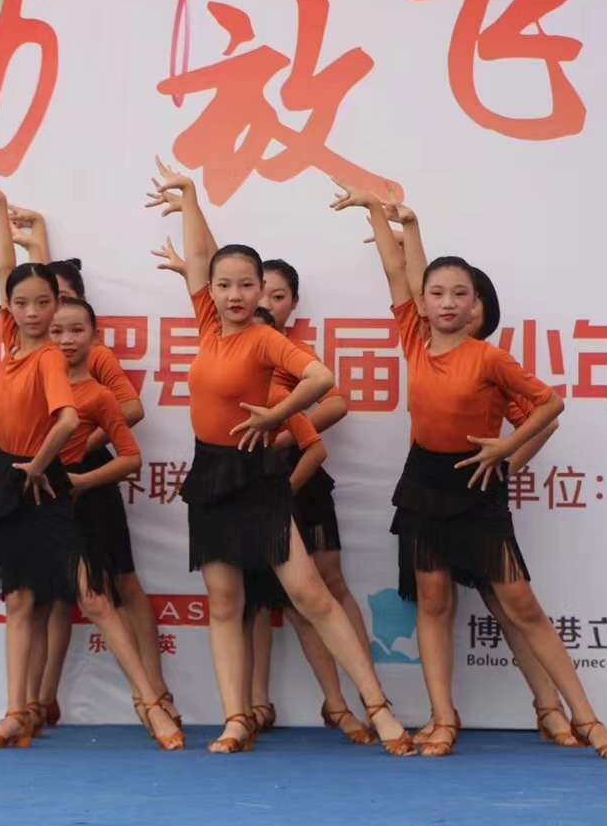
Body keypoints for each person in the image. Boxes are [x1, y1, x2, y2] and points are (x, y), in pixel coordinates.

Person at [333, 182, 607, 759]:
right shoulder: (414, 338)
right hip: (424, 483)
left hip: (477, 487)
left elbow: (549, 404)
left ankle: (588, 718)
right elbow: (401, 273)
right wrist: (386, 216)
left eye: (460, 295)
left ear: (475, 307)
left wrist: (505, 451)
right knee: (433, 601)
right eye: (437, 294)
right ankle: (443, 719)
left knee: (521, 604)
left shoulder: (490, 358)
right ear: (424, 304)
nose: (447, 302)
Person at [145, 158, 415, 755]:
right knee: (225, 602)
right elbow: (202, 256)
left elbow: (321, 379)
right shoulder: (209, 326)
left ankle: (378, 708)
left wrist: (275, 417)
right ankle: (236, 719)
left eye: (247, 285)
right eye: (224, 285)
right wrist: (191, 195)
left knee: (311, 595)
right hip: (210, 474)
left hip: (257, 477)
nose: (234, 294)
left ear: (259, 290)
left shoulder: (267, 338)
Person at [0, 165, 184, 750]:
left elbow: (68, 420)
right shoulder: (13, 341)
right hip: (10, 477)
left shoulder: (50, 360)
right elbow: (5, 269)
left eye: (45, 304)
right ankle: (16, 713)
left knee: (93, 596)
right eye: (23, 303)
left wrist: (45, 465)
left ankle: (153, 704)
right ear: (11, 307)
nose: (34, 313)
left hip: (46, 479)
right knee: (21, 599)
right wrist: (1, 208)